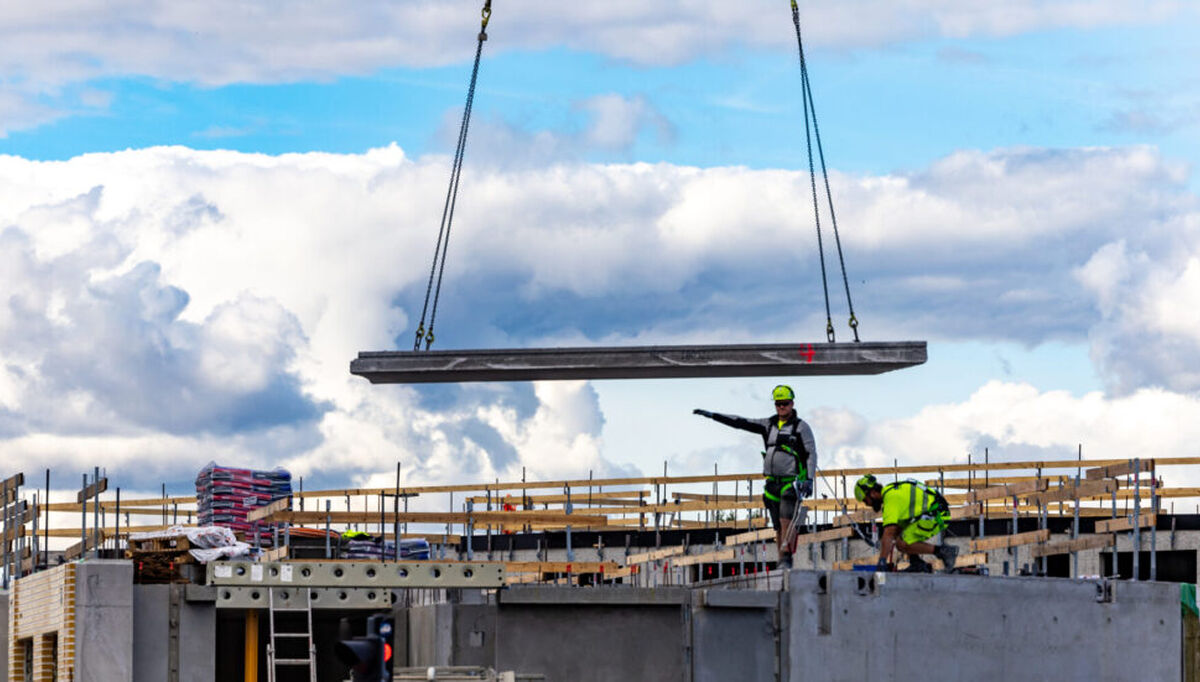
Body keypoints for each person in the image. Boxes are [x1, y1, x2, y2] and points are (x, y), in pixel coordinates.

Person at [693, 385, 816, 569]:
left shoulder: (801, 427)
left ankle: (786, 558)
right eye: (778, 404)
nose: (782, 407)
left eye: (785, 404)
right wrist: (714, 416)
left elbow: (811, 453)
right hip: (772, 482)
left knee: (786, 521)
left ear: (792, 404)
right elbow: (741, 422)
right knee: (777, 526)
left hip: (790, 482)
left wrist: (809, 479)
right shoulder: (769, 424)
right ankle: (782, 558)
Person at [853, 474, 958, 572]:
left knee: (901, 544)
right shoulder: (891, 491)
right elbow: (894, 530)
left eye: (866, 500)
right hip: (933, 512)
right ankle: (916, 562)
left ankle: (944, 551)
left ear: (872, 493)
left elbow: (889, 532)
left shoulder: (891, 499)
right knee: (899, 531)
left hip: (936, 515)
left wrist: (882, 561)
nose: (867, 504)